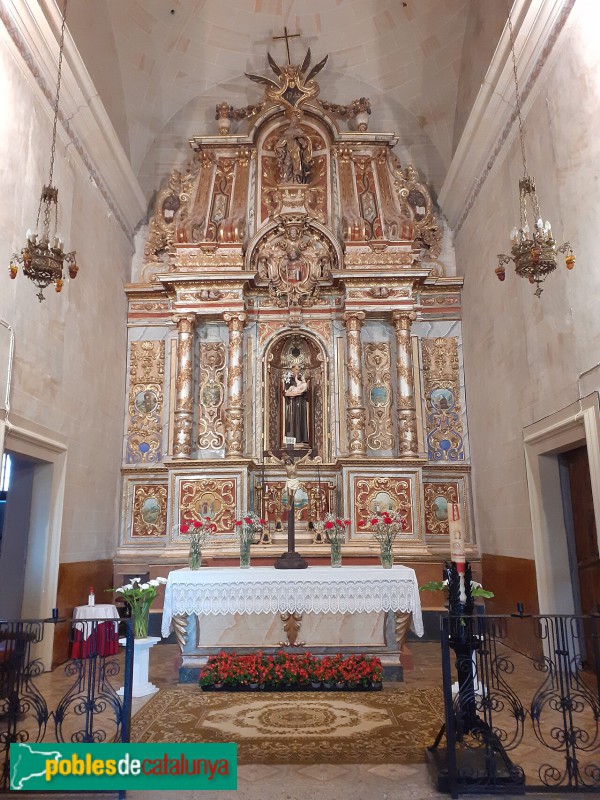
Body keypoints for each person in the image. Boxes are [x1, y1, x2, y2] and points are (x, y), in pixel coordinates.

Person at [283, 367, 309, 445]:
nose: (298, 371)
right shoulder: (289, 380)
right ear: (292, 369)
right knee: (291, 419)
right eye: (296, 369)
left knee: (300, 418)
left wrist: (295, 393)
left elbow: (303, 392)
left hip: (300, 403)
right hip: (291, 403)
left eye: (299, 369)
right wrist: (290, 393)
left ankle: (301, 439)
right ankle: (289, 441)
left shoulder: (303, 382)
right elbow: (285, 392)